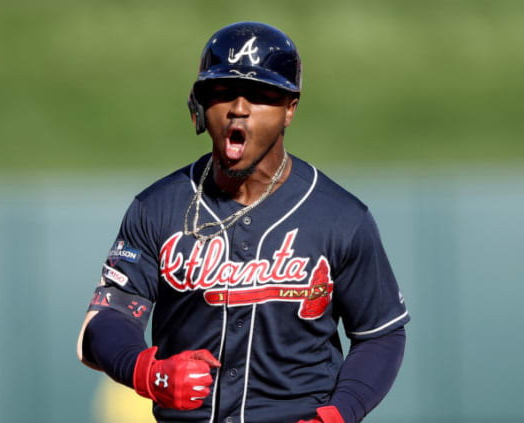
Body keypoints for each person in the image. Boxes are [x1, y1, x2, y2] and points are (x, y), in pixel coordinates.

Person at [77, 21, 409, 423]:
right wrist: (147, 372)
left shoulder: (341, 217)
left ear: (290, 108)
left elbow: (380, 334)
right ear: (199, 104)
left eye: (260, 94)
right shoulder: (156, 208)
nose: (239, 107)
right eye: (221, 92)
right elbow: (104, 322)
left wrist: (339, 414)